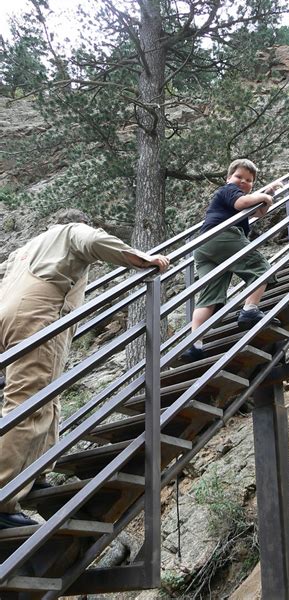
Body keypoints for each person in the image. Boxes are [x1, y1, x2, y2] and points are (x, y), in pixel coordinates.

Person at [0, 209, 169, 529]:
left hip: (8, 316)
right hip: (38, 317)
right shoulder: (70, 232)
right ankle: (3, 498)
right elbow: (92, 239)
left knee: (46, 397)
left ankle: (33, 475)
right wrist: (141, 259)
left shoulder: (26, 248)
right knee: (29, 404)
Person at [182, 159, 283, 363]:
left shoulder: (234, 198)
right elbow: (242, 203)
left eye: (249, 180)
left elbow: (256, 211)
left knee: (210, 294)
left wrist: (268, 194)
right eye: (238, 177)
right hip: (222, 236)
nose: (242, 182)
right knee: (260, 267)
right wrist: (262, 195)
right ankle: (249, 310)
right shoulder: (228, 191)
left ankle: (195, 344)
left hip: (204, 247)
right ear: (229, 178)